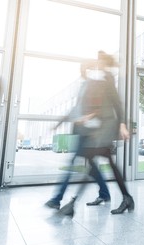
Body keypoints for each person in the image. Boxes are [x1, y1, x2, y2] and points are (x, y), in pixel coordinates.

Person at [58, 52, 133, 217]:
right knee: (103, 163)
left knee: (92, 159)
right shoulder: (100, 79)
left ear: (103, 62)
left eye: (98, 61)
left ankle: (73, 203)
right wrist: (88, 117)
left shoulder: (107, 78)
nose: (96, 63)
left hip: (106, 128)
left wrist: (122, 124)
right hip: (99, 128)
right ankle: (126, 198)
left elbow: (117, 103)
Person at [44, 61, 111, 210]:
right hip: (82, 133)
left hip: (89, 134)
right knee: (92, 167)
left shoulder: (95, 86)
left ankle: (57, 199)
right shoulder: (83, 87)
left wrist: (90, 116)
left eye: (85, 67)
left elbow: (103, 108)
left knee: (72, 164)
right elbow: (75, 110)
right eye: (81, 68)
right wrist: (58, 124)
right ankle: (105, 193)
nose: (82, 70)